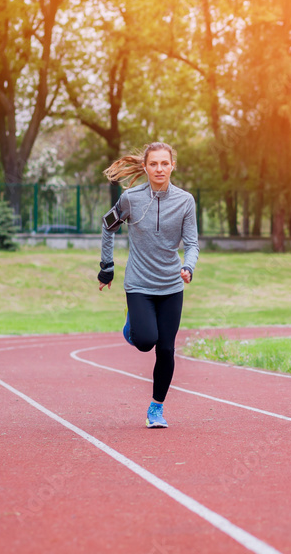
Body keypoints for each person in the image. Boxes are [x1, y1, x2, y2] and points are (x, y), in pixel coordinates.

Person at [97, 142, 199, 428]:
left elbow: (191, 243)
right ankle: (132, 326)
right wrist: (107, 267)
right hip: (139, 284)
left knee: (165, 349)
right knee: (145, 341)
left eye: (164, 163)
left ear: (172, 166)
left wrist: (188, 266)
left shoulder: (185, 201)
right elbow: (108, 226)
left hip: (170, 285)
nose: (159, 169)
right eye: (153, 163)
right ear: (145, 167)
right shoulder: (130, 198)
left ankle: (156, 408)